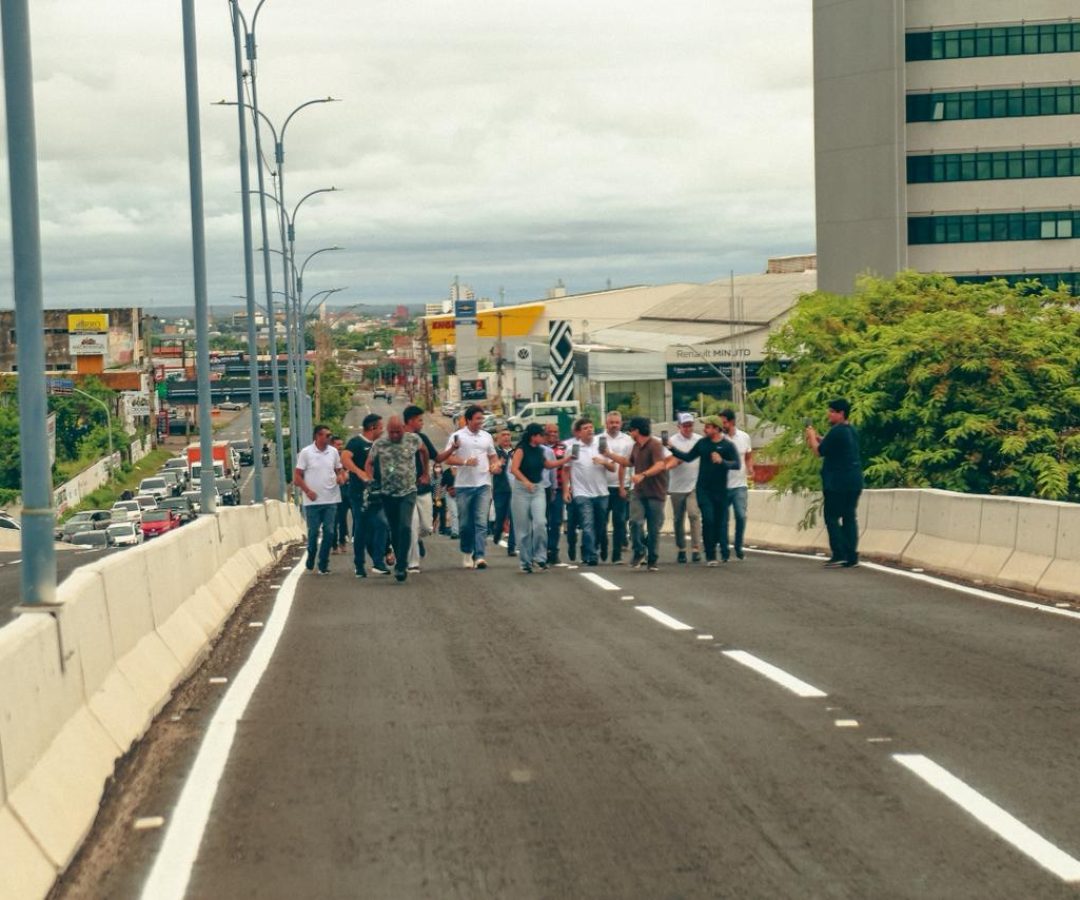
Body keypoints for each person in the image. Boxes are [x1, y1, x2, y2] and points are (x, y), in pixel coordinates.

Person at [665, 415, 741, 565]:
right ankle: (710, 555)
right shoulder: (702, 443)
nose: (704, 429)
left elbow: (736, 464)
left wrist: (722, 461)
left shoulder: (727, 445)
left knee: (719, 521)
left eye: (707, 427)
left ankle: (723, 549)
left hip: (720, 490)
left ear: (716, 428)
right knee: (708, 519)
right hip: (703, 489)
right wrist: (671, 448)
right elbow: (688, 457)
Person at [366, 415, 426, 582]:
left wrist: (426, 473)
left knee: (405, 526)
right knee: (394, 528)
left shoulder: (413, 439)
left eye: (397, 432)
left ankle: (401, 566)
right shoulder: (380, 443)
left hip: (408, 491)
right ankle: (400, 559)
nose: (394, 435)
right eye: (391, 432)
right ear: (387, 430)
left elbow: (424, 452)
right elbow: (369, 462)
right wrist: (369, 479)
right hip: (387, 493)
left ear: (403, 429)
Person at [805, 398, 864, 568]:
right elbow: (834, 446)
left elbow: (819, 452)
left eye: (832, 411)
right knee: (849, 516)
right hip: (854, 480)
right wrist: (819, 438)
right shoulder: (850, 430)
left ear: (841, 413)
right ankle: (851, 555)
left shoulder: (836, 431)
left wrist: (811, 437)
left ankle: (839, 553)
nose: (828, 414)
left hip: (837, 482)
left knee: (831, 516)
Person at [606, 417, 668, 571]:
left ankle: (652, 559)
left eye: (631, 430)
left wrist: (643, 475)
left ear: (637, 431)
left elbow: (660, 465)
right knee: (635, 521)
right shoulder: (636, 447)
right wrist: (608, 454)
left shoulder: (655, 445)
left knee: (654, 528)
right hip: (638, 492)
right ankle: (639, 550)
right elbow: (628, 462)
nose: (630, 433)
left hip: (655, 492)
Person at [444, 406, 501, 569]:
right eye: (477, 419)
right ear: (468, 420)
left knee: (481, 521)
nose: (480, 422)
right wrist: (464, 462)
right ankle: (467, 552)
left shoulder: (487, 436)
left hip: (483, 484)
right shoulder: (457, 436)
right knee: (465, 524)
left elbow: (492, 455)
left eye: (481, 419)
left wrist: (495, 465)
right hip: (463, 486)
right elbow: (447, 458)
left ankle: (480, 556)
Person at [509, 423, 571, 573]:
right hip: (521, 490)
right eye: (541, 435)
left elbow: (548, 465)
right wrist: (525, 481)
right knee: (523, 528)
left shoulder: (540, 451)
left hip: (538, 489)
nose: (544, 438)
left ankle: (540, 557)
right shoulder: (521, 450)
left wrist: (566, 459)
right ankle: (525, 561)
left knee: (540, 523)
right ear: (533, 436)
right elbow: (514, 469)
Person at [341, 413, 391, 577]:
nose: (383, 430)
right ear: (372, 427)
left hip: (378, 493)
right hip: (358, 494)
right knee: (361, 529)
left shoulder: (382, 444)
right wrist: (359, 472)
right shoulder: (357, 442)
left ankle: (378, 561)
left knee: (382, 524)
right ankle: (359, 565)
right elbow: (345, 458)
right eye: (381, 427)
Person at [563, 418, 616, 567]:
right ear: (579, 432)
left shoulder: (601, 446)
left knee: (600, 526)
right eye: (585, 428)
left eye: (591, 427)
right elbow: (566, 470)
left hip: (601, 493)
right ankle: (592, 555)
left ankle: (599, 546)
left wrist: (604, 461)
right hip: (582, 493)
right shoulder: (573, 448)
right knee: (587, 525)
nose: (589, 430)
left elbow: (613, 468)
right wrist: (566, 490)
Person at [293, 424, 345, 575]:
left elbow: (338, 470)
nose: (329, 438)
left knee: (329, 532)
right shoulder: (306, 453)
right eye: (327, 435)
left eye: (330, 435)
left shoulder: (333, 452)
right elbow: (297, 476)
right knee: (314, 531)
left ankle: (323, 563)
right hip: (313, 501)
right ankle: (311, 554)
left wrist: (341, 477)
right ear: (318, 436)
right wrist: (307, 491)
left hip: (331, 498)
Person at [403, 405, 438, 573]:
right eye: (420, 420)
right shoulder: (397, 439)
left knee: (425, 527)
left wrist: (425, 472)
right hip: (407, 491)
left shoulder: (421, 438)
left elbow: (433, 456)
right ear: (410, 421)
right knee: (412, 526)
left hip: (423, 489)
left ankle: (418, 538)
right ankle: (413, 563)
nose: (422, 423)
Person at [598, 411, 633, 564]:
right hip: (601, 487)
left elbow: (629, 463)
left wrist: (625, 486)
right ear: (606, 423)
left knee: (619, 521)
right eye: (611, 422)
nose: (614, 425)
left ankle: (617, 554)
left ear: (621, 423)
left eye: (617, 422)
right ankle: (604, 547)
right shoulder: (598, 439)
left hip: (621, 486)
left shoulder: (628, 440)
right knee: (601, 521)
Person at [667, 412, 703, 564]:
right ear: (679, 426)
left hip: (694, 485)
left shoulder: (699, 440)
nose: (688, 428)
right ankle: (681, 548)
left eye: (690, 425)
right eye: (685, 425)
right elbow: (667, 461)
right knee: (678, 519)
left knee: (694, 515)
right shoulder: (672, 442)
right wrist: (677, 461)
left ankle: (696, 548)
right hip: (676, 486)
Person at [719, 408, 754, 561]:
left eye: (724, 422)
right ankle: (725, 550)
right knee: (723, 519)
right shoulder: (719, 439)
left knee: (741, 516)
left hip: (740, 484)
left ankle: (738, 546)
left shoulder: (744, 437)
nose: (722, 425)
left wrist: (751, 468)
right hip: (722, 485)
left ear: (732, 422)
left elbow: (748, 456)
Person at [543, 423, 568, 565]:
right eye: (549, 432)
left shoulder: (563, 448)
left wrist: (566, 489)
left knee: (556, 521)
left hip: (558, 488)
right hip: (543, 488)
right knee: (542, 521)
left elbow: (567, 469)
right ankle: (542, 549)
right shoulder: (539, 448)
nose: (553, 434)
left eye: (555, 432)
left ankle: (553, 550)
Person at [491, 429, 516, 556]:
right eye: (503, 435)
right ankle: (497, 531)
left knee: (514, 518)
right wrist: (499, 464)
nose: (506, 437)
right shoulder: (495, 452)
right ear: (498, 439)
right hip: (500, 490)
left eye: (508, 435)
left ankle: (511, 547)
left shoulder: (516, 452)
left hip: (515, 490)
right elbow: (493, 469)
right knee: (501, 516)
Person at [330, 436, 350, 554]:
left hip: (346, 491)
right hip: (333, 492)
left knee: (342, 519)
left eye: (342, 444)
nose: (340, 447)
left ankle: (343, 541)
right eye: (338, 445)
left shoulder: (344, 457)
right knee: (335, 519)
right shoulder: (329, 458)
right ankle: (334, 545)